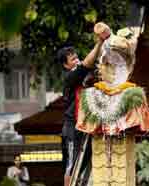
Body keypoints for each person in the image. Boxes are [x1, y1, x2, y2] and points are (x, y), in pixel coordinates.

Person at [57, 23, 109, 186]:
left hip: (85, 126)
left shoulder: (85, 77)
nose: (77, 60)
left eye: (76, 56)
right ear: (66, 65)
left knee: (84, 166)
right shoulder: (71, 77)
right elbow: (86, 63)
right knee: (71, 167)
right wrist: (99, 42)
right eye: (73, 59)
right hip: (72, 129)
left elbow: (93, 66)